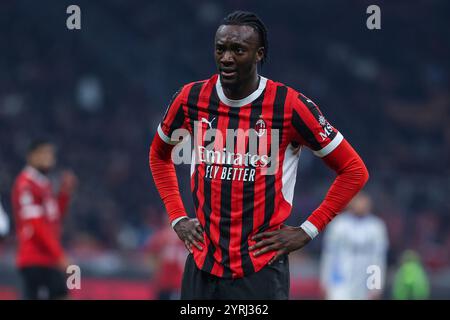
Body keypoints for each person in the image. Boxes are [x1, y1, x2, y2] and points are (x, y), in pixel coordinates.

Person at [149, 11, 369, 299]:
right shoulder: (190, 99)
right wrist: (177, 217)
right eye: (220, 49)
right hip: (202, 267)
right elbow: (158, 155)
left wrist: (307, 231)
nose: (226, 58)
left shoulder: (289, 106)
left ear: (259, 54)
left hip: (260, 270)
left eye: (238, 50)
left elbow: (354, 170)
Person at [11, 139, 77, 299]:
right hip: (35, 257)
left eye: (51, 153)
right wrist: (59, 255)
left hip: (47, 258)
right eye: (44, 153)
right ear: (31, 156)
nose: (49, 157)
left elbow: (53, 219)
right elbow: (37, 224)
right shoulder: (25, 184)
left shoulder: (43, 184)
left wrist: (64, 194)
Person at [320, 192, 388, 300]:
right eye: (358, 201)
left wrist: (376, 287)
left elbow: (378, 258)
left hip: (365, 281)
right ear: (350, 203)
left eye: (364, 201)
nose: (361, 204)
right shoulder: (338, 224)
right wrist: (326, 281)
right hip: (341, 281)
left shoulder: (376, 226)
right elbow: (329, 254)